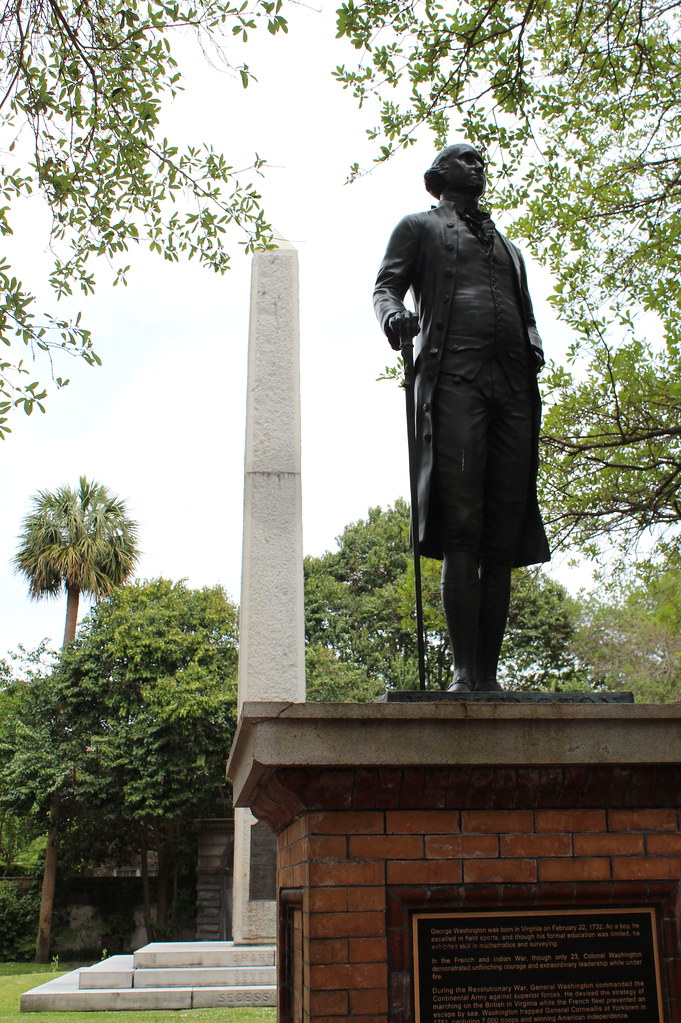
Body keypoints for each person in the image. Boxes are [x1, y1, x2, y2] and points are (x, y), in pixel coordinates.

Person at [374, 142, 550, 692]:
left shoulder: (508, 246)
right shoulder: (418, 227)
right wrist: (395, 316)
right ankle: (464, 671)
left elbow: (526, 313)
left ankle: (490, 678)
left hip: (514, 385)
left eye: (481, 161)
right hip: (454, 381)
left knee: (503, 528)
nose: (479, 165)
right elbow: (386, 288)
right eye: (466, 159)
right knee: (462, 528)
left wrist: (532, 340)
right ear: (439, 174)